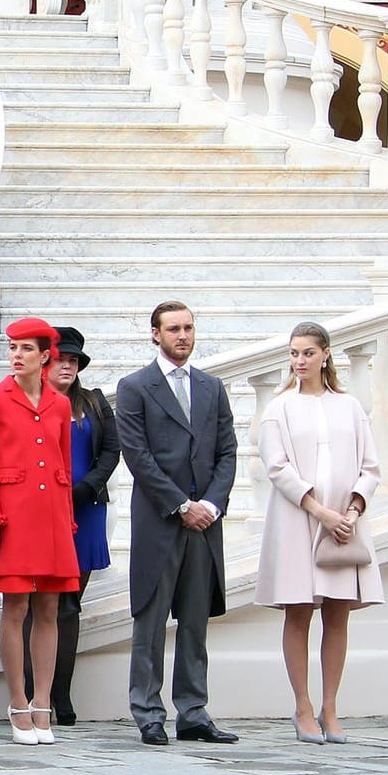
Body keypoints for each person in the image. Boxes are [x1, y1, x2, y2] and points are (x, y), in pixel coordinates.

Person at [116, 300, 239, 746]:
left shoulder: (212, 387)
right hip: (160, 521)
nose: (182, 335)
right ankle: (148, 711)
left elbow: (227, 451)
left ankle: (193, 711)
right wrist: (180, 505)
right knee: (149, 621)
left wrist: (210, 503)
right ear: (155, 334)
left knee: (195, 621)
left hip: (205, 524)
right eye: (173, 329)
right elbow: (138, 457)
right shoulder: (134, 387)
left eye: (188, 327)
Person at [256, 320, 384, 744]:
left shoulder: (349, 406)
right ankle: (303, 708)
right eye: (293, 353)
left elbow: (370, 466)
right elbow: (276, 466)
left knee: (338, 612)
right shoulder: (280, 408)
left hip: (344, 525)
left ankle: (330, 708)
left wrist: (351, 509)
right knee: (299, 611)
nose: (299, 361)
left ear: (326, 354)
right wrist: (318, 510)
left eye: (307, 353)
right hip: (298, 519)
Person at [0, 316, 79, 747]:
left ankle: (42, 703)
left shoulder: (60, 404)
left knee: (50, 609)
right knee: (15, 607)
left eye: (25, 349)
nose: (16, 356)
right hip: (12, 516)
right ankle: (17, 702)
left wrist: (67, 520)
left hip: (52, 515)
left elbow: (65, 468)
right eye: (12, 347)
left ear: (44, 355)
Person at [23, 326, 118, 727]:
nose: (68, 365)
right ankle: (33, 693)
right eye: (62, 358)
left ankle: (60, 694)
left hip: (85, 510)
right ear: (45, 361)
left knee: (68, 603)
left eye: (74, 360)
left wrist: (87, 487)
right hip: (38, 512)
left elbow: (112, 450)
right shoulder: (29, 402)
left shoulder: (93, 403)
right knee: (34, 600)